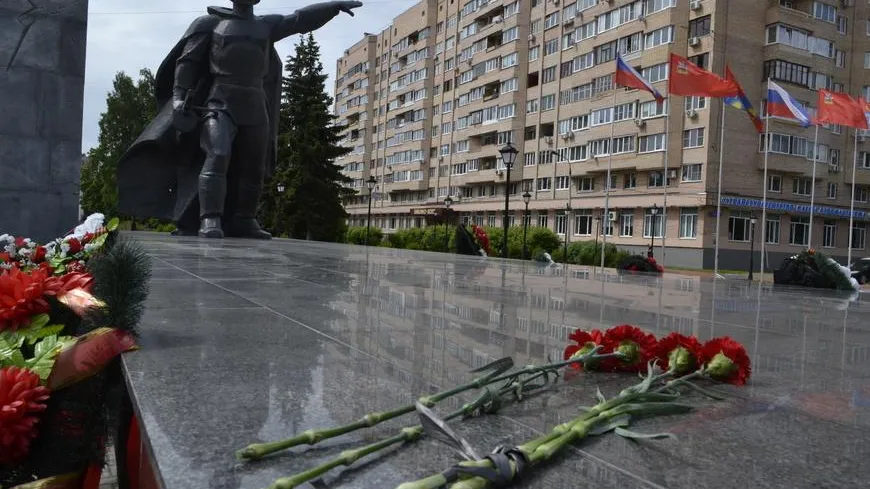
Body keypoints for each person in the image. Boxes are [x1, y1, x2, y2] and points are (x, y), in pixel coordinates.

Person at [117, 0, 362, 239]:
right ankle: (209, 218)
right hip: (220, 101)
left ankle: (244, 219)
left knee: (254, 165)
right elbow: (187, 62)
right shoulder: (210, 23)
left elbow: (299, 19)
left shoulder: (266, 25)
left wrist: (333, 6)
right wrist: (179, 96)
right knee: (218, 154)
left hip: (255, 104)